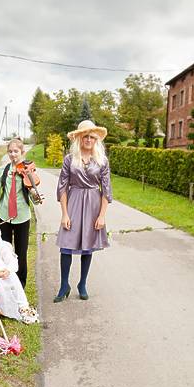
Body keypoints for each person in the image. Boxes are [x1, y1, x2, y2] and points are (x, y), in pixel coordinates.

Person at [54, 120, 113, 302]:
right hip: (73, 202)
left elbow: (106, 190)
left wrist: (101, 215)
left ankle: (82, 284)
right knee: (66, 246)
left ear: (96, 139)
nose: (88, 139)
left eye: (91, 136)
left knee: (88, 247)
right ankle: (64, 285)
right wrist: (65, 213)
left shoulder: (102, 161)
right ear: (79, 138)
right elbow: (62, 188)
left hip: (94, 204)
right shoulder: (69, 159)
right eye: (85, 136)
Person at [0, 138, 37, 288]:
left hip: (22, 216)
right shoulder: (2, 170)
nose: (13, 154)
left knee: (21, 252)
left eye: (16, 151)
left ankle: (20, 284)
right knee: (3, 251)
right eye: (10, 151)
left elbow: (35, 199)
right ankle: (5, 282)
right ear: (8, 153)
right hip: (4, 216)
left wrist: (35, 194)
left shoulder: (27, 170)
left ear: (22, 152)